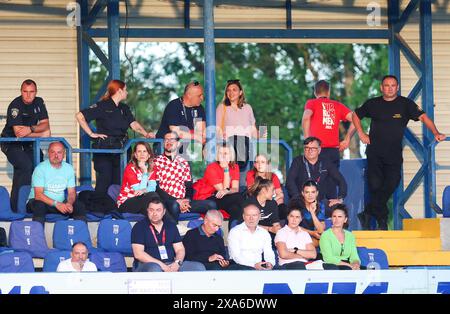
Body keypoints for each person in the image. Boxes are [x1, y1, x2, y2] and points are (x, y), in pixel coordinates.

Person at [353, 75, 446, 230]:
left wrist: (435, 132)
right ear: (381, 88)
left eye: (393, 85)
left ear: (397, 87)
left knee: (392, 183)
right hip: (375, 153)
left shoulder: (405, 104)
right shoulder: (373, 104)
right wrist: (361, 134)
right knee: (375, 185)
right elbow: (355, 115)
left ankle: (368, 212)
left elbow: (424, 117)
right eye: (386, 85)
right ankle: (382, 221)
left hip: (394, 154)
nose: (390, 88)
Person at [75, 80, 154, 194]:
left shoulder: (124, 108)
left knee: (119, 181)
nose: (127, 93)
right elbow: (80, 116)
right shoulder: (102, 105)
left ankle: (116, 208)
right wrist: (91, 134)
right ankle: (99, 208)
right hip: (104, 149)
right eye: (125, 90)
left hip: (121, 149)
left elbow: (134, 124)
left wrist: (146, 134)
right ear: (119, 90)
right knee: (105, 179)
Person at [1, 79, 51, 212]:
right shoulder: (15, 105)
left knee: (37, 165)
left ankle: (18, 207)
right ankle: (20, 207)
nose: (28, 95)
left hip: (28, 142)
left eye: (32, 92)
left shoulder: (39, 102)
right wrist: (40, 134)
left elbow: (46, 125)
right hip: (10, 142)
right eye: (25, 92)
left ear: (36, 92)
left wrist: (31, 129)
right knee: (25, 166)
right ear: (21, 92)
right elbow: (18, 133)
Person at [154, 132, 215, 222]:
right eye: (166, 139)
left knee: (211, 205)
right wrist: (177, 201)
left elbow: (189, 186)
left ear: (178, 143)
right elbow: (156, 187)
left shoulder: (184, 162)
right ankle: (174, 231)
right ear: (163, 143)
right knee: (175, 205)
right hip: (167, 201)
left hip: (183, 201)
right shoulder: (156, 161)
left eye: (172, 139)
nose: (169, 141)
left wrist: (186, 200)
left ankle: (204, 232)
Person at [131, 198, 205, 272]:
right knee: (155, 268)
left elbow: (180, 249)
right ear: (147, 211)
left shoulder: (171, 226)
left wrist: (177, 263)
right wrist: (162, 266)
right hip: (147, 265)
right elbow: (138, 254)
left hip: (170, 264)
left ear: (164, 212)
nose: (154, 213)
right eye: (151, 210)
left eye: (158, 210)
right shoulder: (139, 227)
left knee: (198, 267)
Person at [26, 142, 87, 225]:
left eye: (59, 152)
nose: (56, 155)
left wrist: (69, 203)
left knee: (79, 205)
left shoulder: (69, 169)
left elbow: (72, 192)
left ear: (64, 154)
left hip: (59, 203)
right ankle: (37, 236)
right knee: (39, 206)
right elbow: (38, 195)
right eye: (53, 152)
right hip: (38, 202)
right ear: (48, 153)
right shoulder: (40, 169)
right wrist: (57, 204)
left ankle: (80, 236)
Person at [302, 80, 355, 168]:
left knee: (316, 180)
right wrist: (347, 140)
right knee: (332, 180)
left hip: (316, 149)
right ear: (328, 92)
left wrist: (308, 142)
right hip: (333, 152)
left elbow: (306, 117)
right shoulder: (338, 105)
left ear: (315, 92)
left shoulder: (312, 103)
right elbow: (356, 119)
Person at [193, 143, 245, 227]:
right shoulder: (211, 167)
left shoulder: (235, 167)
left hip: (227, 197)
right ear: (217, 156)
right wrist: (226, 170)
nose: (223, 156)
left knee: (235, 209)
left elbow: (235, 189)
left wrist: (227, 190)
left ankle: (233, 235)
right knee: (239, 198)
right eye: (220, 153)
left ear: (231, 155)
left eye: (226, 153)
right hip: (210, 196)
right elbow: (222, 191)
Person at [286, 137, 347, 206]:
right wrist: (298, 198)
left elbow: (341, 180)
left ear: (319, 150)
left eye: (313, 148)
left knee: (337, 209)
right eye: (307, 148)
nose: (310, 151)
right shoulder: (297, 161)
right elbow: (290, 181)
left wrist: (340, 199)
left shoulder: (326, 162)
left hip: (320, 202)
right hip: (301, 201)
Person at [216, 80, 260, 170]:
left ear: (240, 92)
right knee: (232, 175)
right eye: (228, 90)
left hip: (245, 145)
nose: (231, 92)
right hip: (229, 144)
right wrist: (221, 135)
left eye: (234, 90)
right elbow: (217, 128)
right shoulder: (222, 107)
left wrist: (261, 136)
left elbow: (253, 129)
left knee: (244, 177)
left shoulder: (247, 108)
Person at [156, 81, 206, 145]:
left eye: (202, 95)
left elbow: (200, 131)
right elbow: (176, 131)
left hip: (189, 148)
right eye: (199, 96)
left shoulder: (199, 108)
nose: (202, 98)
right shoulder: (174, 105)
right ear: (189, 95)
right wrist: (196, 137)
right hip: (165, 147)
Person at [117, 141, 160, 216]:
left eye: (144, 151)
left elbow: (152, 188)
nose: (142, 154)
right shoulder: (130, 168)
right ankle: (173, 225)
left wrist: (145, 190)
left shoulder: (152, 167)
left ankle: (170, 225)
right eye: (139, 151)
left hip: (144, 201)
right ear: (135, 155)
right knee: (153, 198)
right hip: (126, 202)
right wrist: (145, 172)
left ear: (149, 155)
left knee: (154, 209)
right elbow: (138, 192)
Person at [227, 204, 276, 270]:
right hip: (239, 267)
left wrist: (270, 263)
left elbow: (269, 252)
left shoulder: (264, 233)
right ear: (243, 216)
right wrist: (253, 265)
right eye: (248, 215)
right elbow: (236, 256)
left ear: (259, 216)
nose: (251, 218)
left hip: (259, 267)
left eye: (254, 215)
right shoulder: (235, 232)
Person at [319, 204, 362, 270]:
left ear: (345, 219)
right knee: (346, 269)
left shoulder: (350, 236)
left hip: (347, 264)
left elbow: (354, 256)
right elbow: (328, 258)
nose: (336, 219)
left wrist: (356, 263)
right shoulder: (325, 235)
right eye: (334, 216)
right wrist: (349, 265)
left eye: (340, 217)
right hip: (331, 265)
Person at [246, 153, 287, 219]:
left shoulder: (273, 176)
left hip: (273, 201)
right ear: (254, 165)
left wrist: (271, 202)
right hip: (257, 203)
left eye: (262, 162)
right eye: (257, 162)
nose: (259, 165)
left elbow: (280, 194)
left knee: (283, 207)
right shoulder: (250, 174)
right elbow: (251, 192)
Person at [288, 180, 326, 247]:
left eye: (313, 192)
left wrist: (312, 212)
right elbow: (292, 225)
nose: (310, 195)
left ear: (317, 193)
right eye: (307, 192)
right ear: (303, 193)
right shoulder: (296, 204)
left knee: (321, 239)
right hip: (295, 233)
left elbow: (320, 230)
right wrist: (312, 233)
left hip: (312, 237)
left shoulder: (320, 205)